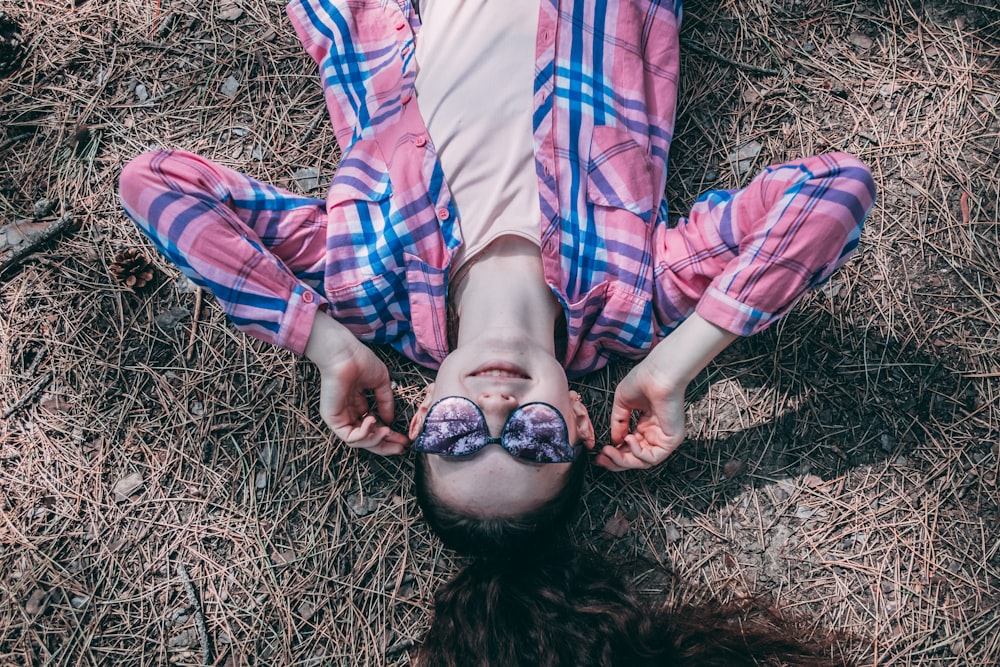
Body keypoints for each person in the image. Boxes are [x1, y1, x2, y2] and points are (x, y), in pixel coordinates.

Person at [119, 0, 874, 662]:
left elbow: (154, 184)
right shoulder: (640, 294)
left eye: (455, 437)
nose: (496, 412)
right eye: (532, 441)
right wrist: (677, 363)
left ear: (418, 419)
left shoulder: (364, 284)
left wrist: (323, 342)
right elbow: (834, 189)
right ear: (580, 421)